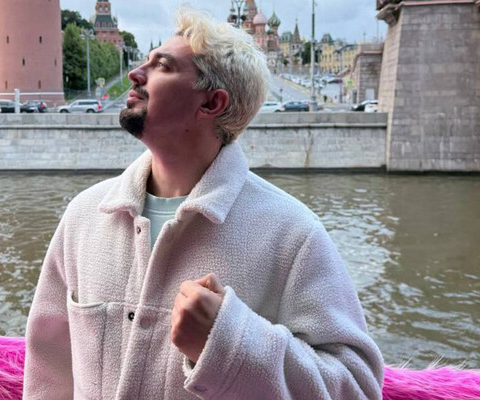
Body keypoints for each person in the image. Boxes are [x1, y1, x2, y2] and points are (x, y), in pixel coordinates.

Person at [23, 7, 384, 399]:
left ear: (212, 103)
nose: (136, 73)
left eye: (162, 66)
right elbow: (47, 372)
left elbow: (359, 387)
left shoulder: (294, 235)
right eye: (146, 61)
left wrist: (229, 342)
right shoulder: (84, 215)